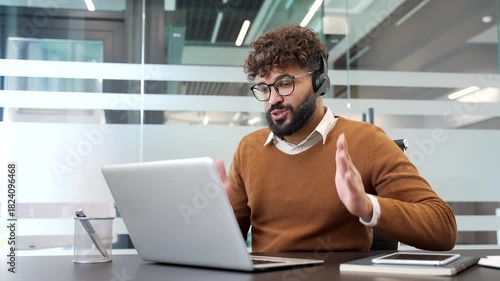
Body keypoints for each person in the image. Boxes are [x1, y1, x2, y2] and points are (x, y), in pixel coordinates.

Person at [216, 24, 457, 252]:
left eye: (285, 83)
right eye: (264, 88)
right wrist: (220, 217)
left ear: (320, 82)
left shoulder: (366, 141)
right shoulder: (249, 149)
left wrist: (367, 206)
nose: (273, 99)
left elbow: (443, 227)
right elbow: (227, 248)